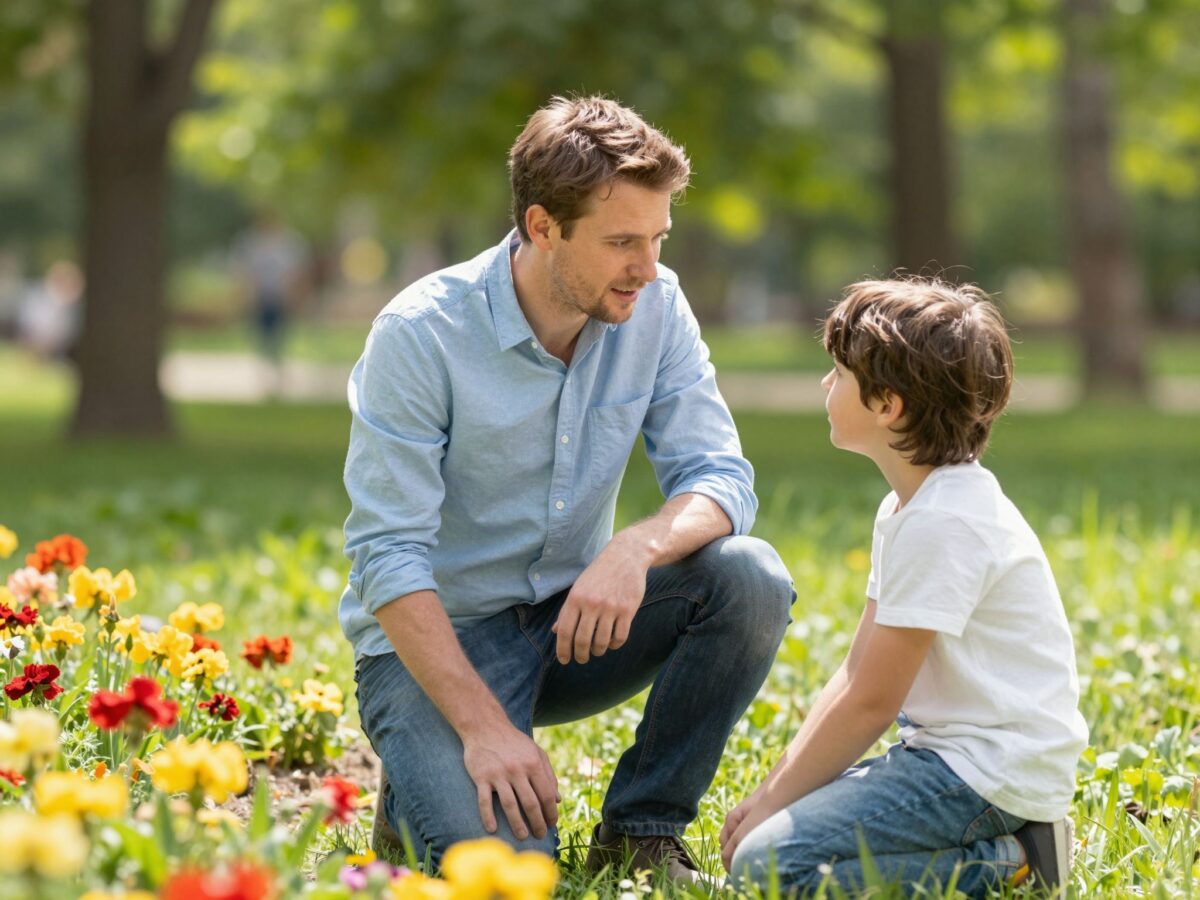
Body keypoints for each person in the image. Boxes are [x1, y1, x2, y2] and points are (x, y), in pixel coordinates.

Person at [340, 95, 795, 882]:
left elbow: (720, 476)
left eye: (657, 238)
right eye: (622, 242)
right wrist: (482, 729)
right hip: (438, 647)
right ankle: (419, 785)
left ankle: (642, 832)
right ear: (542, 226)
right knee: (520, 879)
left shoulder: (657, 305)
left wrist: (635, 547)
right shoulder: (420, 334)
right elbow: (388, 557)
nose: (646, 267)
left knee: (749, 577)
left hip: (574, 627)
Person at [722, 278, 1089, 897]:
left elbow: (873, 701)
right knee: (771, 842)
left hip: (990, 774)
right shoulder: (909, 507)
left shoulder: (945, 521)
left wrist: (774, 806)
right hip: (947, 759)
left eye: (839, 373)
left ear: (887, 405)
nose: (825, 384)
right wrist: (772, 793)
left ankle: (1017, 862)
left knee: (765, 867)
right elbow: (855, 674)